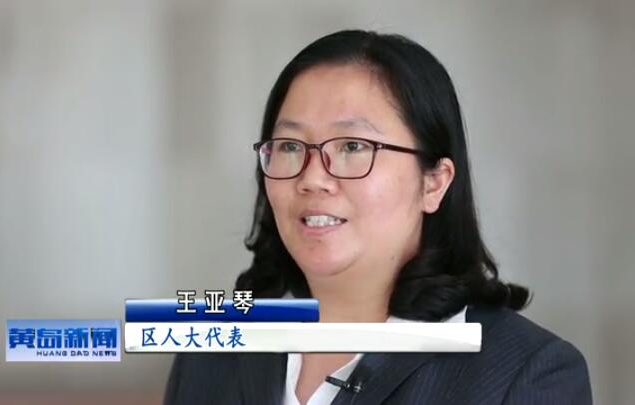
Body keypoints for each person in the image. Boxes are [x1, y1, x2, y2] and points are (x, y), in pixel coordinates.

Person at [164, 30, 592, 405]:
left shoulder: (523, 373)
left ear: (434, 183)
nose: (313, 179)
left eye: (353, 147)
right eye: (291, 147)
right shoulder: (214, 350)